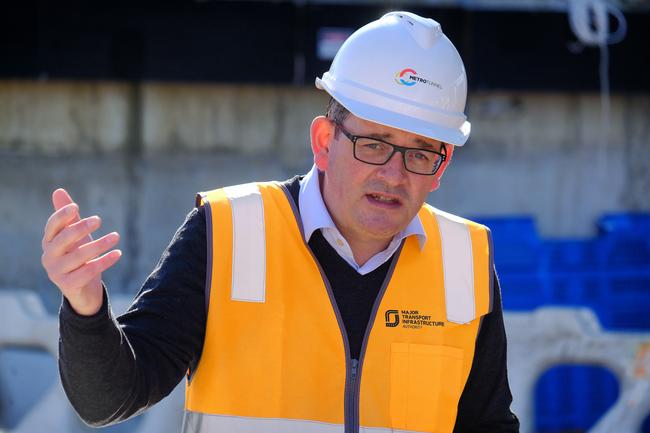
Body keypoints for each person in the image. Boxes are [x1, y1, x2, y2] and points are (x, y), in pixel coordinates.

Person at [41, 11, 519, 433]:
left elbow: (486, 424)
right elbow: (110, 399)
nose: (393, 174)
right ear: (324, 140)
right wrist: (86, 307)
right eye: (373, 144)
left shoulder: (464, 261)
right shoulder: (227, 232)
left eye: (419, 153)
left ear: (442, 166)